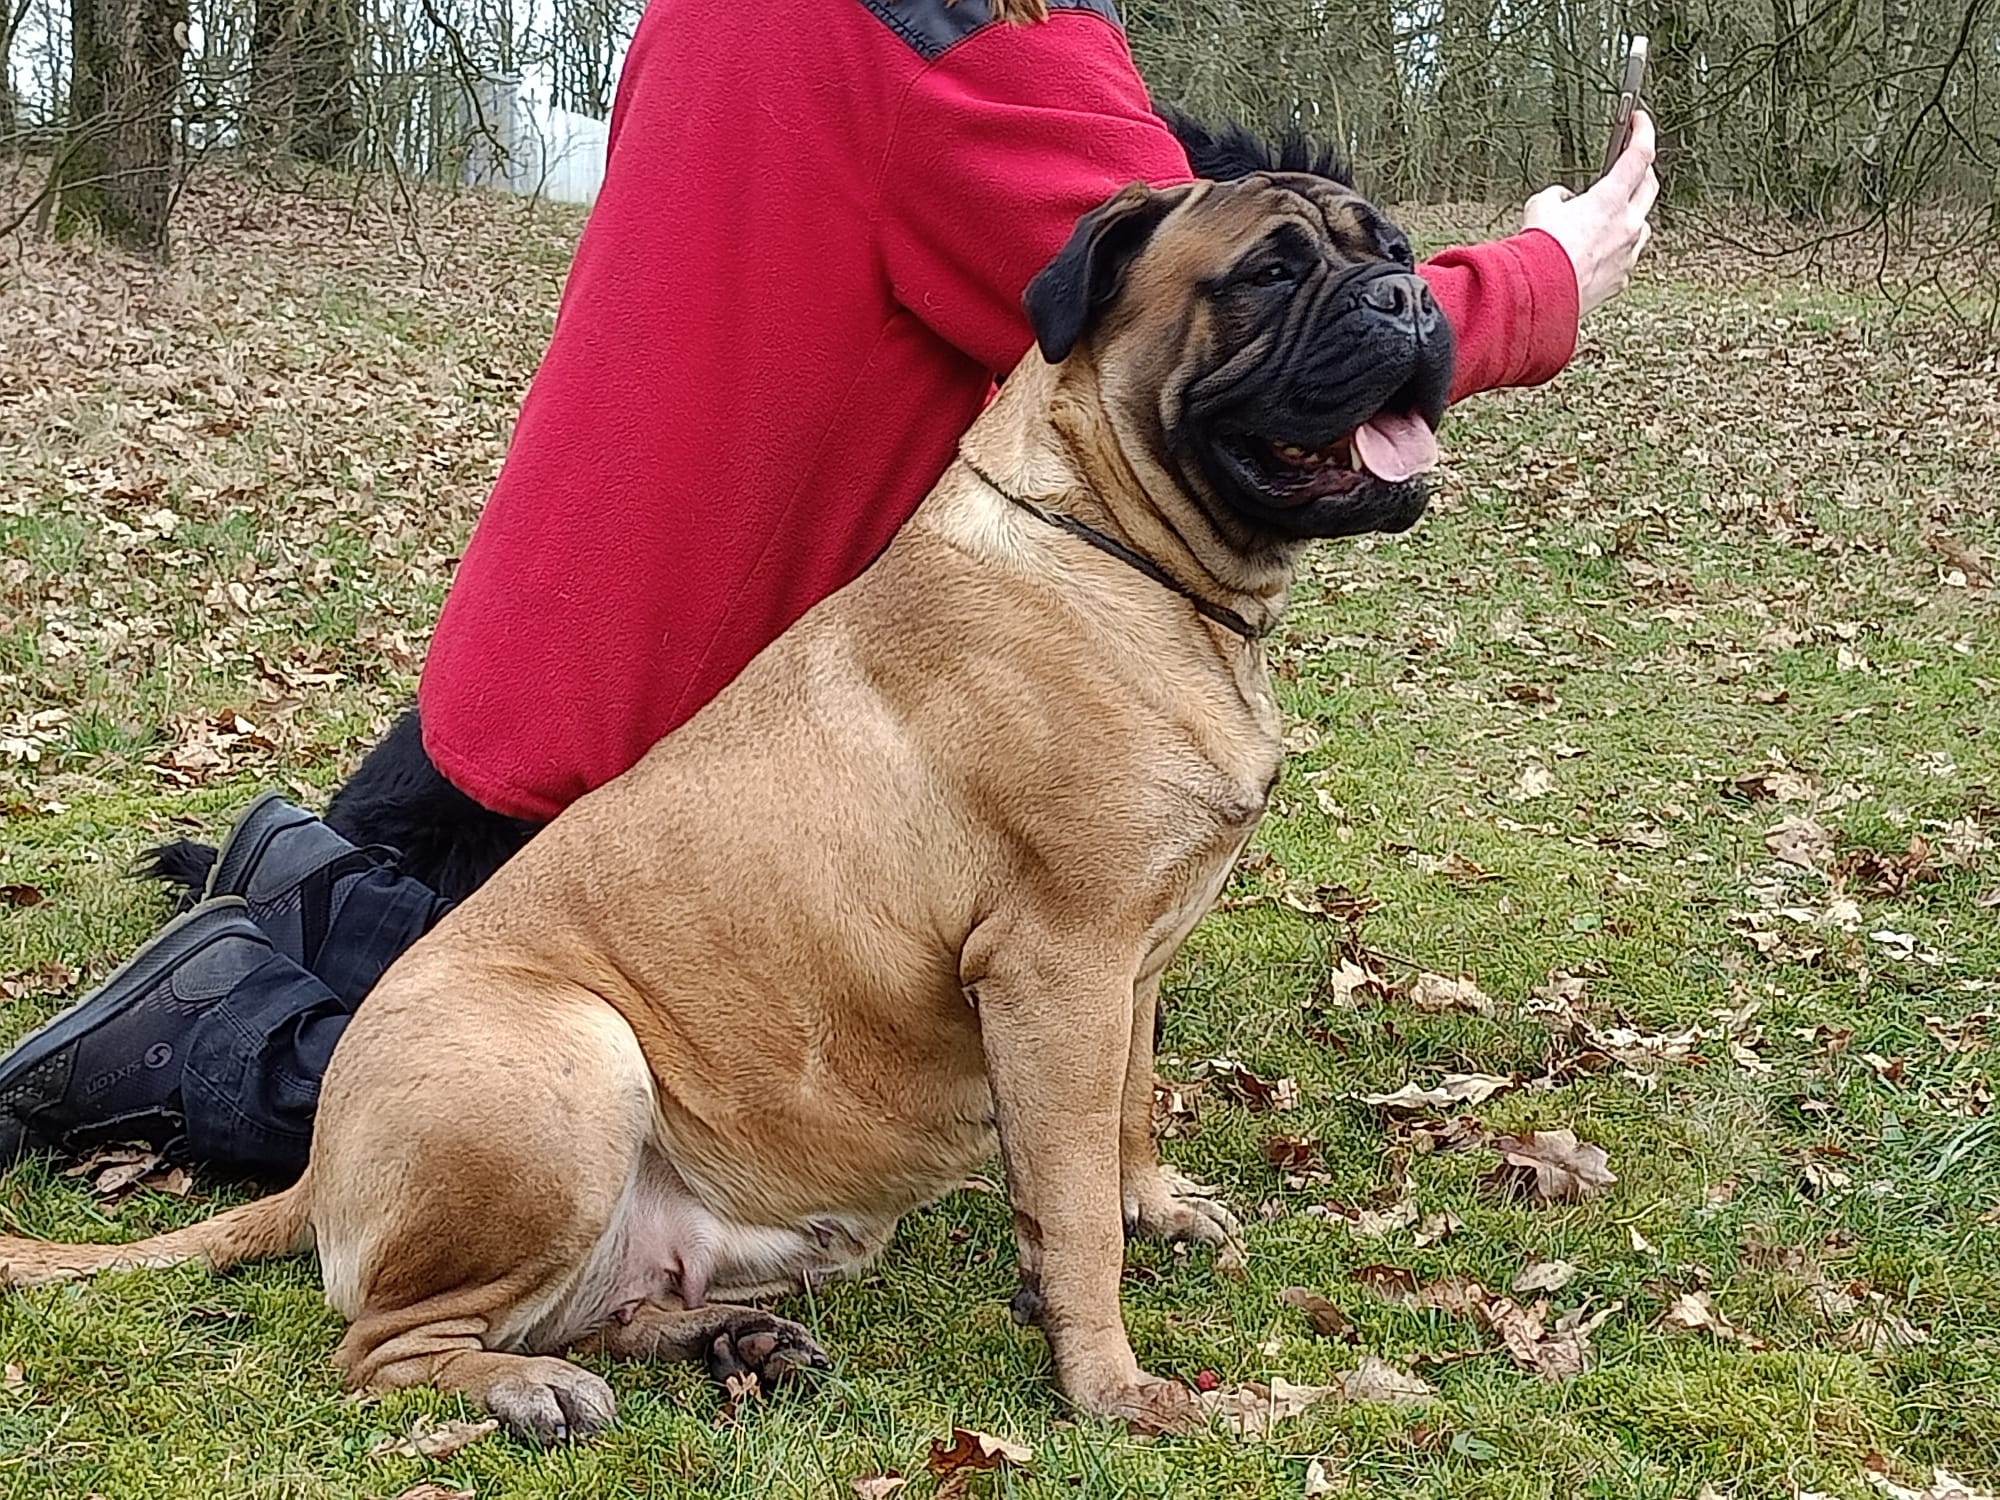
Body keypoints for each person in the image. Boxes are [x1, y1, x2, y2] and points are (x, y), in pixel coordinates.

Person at [0, 0, 1658, 1178]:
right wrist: (1539, 277)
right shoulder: (969, 41)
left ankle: (316, 881)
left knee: (486, 964)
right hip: (695, 760)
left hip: (518, 679)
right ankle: (223, 1039)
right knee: (637, 1115)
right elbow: (1210, 294)